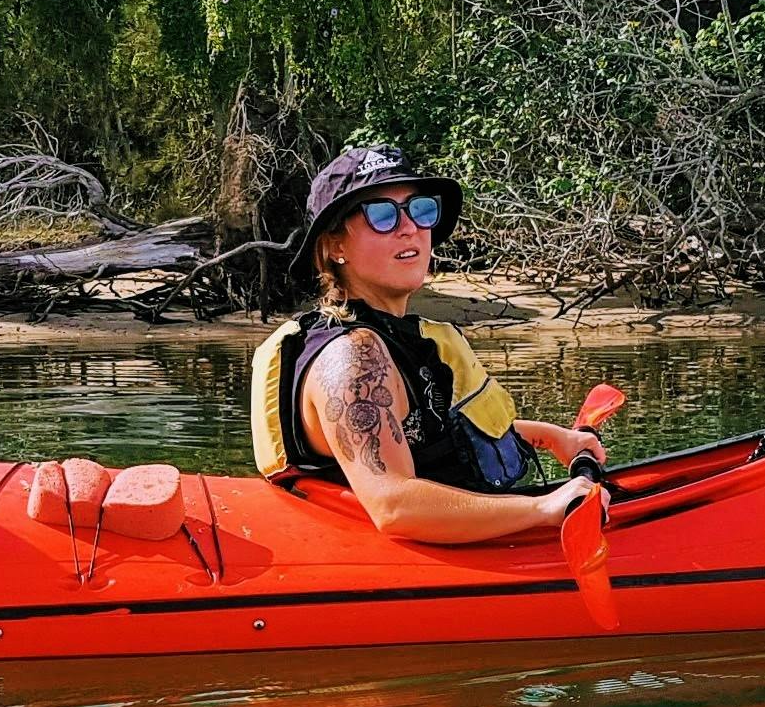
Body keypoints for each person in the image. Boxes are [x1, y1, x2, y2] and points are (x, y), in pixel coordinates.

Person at [248, 145, 607, 543]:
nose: (409, 228)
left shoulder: (394, 339)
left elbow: (436, 436)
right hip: (406, 563)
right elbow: (394, 504)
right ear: (335, 247)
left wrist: (556, 438)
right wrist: (545, 509)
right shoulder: (352, 356)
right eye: (381, 215)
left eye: (419, 210)